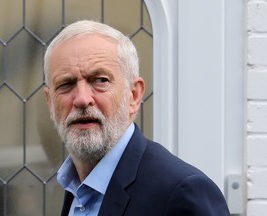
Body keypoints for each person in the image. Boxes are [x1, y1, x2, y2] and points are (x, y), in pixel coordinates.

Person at [43, 20, 230, 216]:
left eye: (100, 80)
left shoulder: (181, 193)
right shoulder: (75, 188)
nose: (82, 99)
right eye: (66, 84)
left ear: (133, 95)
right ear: (50, 102)